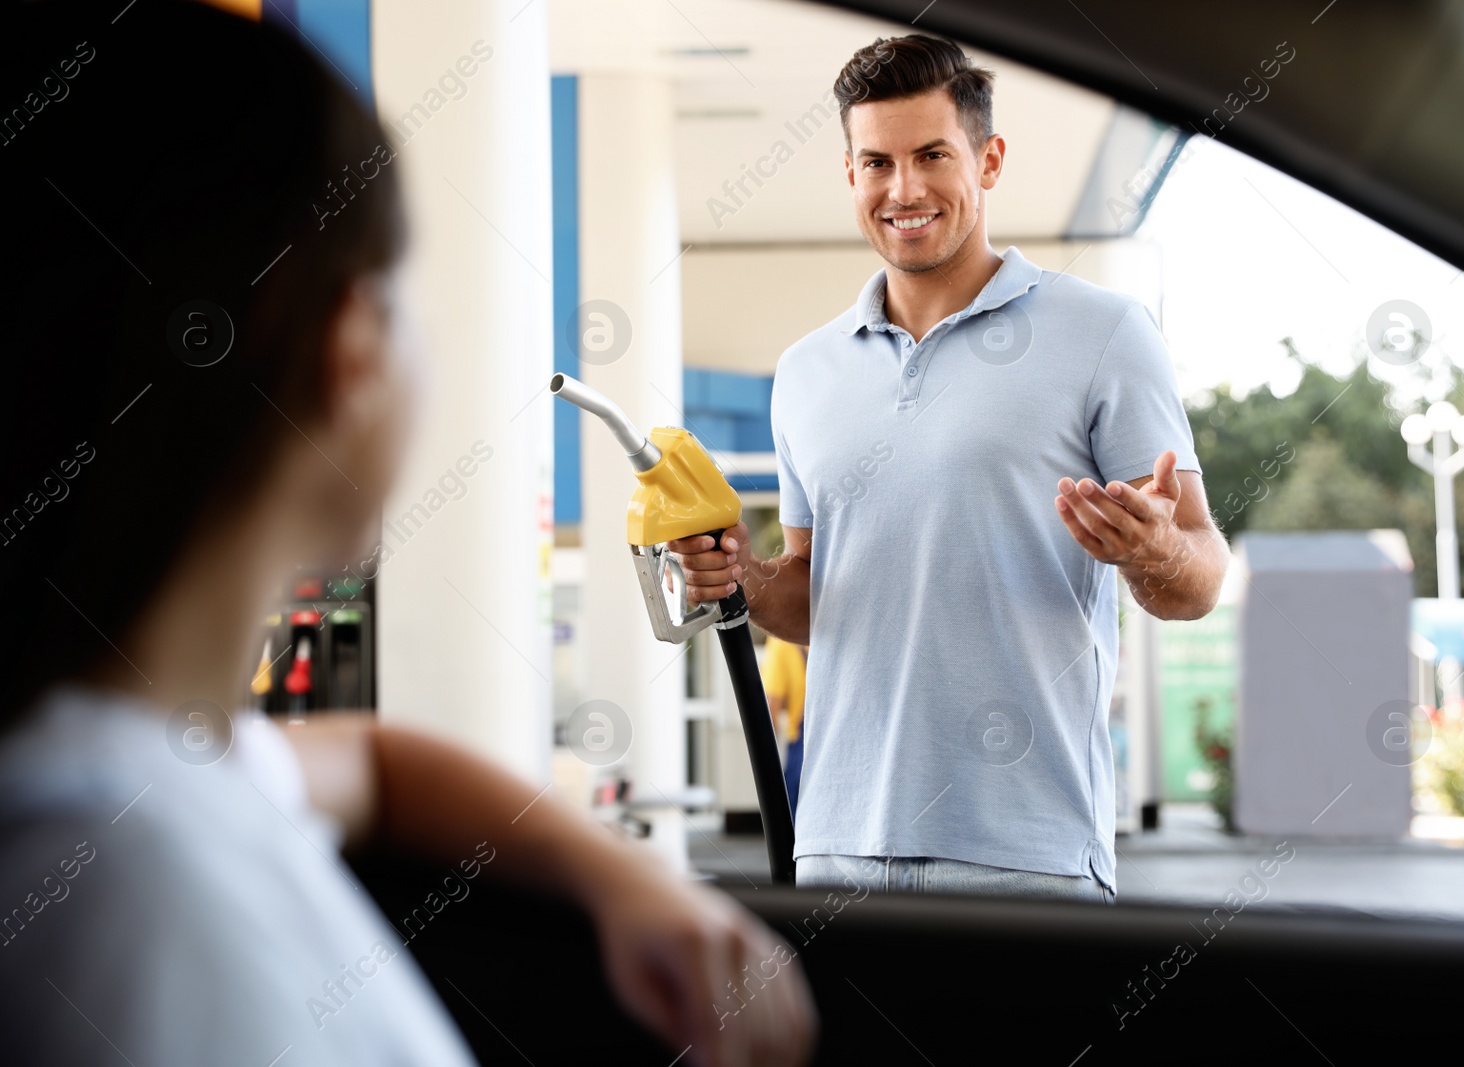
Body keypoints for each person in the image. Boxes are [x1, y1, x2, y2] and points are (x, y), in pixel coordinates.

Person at [0, 3, 815, 1065]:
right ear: (351, 345)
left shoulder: (136, 770)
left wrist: (625, 878)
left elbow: (373, 761)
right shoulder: (142, 898)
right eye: (406, 299)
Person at [669, 35, 1228, 901]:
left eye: (933, 155)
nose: (905, 190)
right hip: (835, 847)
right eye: (877, 162)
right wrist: (741, 573)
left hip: (1030, 852)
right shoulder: (806, 371)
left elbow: (1198, 578)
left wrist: (1154, 552)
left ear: (989, 159)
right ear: (849, 174)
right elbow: (815, 593)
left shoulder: (1104, 334)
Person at [759, 636, 809, 815]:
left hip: (803, 753)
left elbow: (771, 708)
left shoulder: (781, 642)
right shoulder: (837, 633)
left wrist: (769, 771)